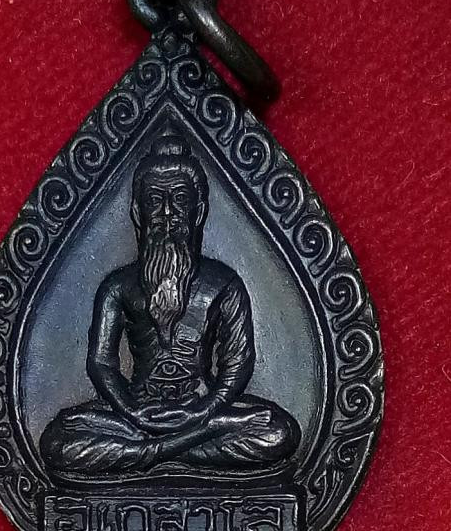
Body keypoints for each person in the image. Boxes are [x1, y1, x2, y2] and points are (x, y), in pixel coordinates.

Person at [40, 136, 300, 475]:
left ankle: (149, 454)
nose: (166, 214)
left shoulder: (224, 284)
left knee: (278, 432)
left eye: (179, 200)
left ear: (198, 212)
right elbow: (102, 363)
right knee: (58, 441)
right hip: (136, 414)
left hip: (203, 409)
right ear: (138, 213)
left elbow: (237, 362)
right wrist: (130, 409)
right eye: (154, 200)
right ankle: (174, 449)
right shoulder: (118, 287)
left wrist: (205, 410)